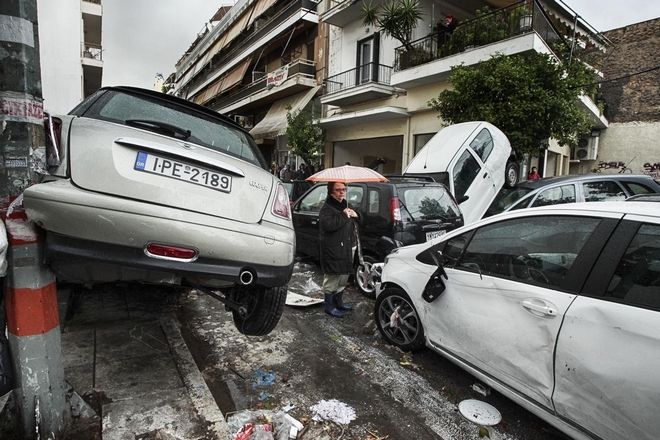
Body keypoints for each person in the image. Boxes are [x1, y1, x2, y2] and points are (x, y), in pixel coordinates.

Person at [319, 182, 359, 317]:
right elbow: (328, 225)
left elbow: (358, 221)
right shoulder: (327, 208)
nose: (342, 192)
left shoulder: (346, 204)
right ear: (331, 192)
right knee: (332, 277)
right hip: (333, 248)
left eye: (343, 189)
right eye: (338, 190)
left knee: (343, 276)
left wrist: (356, 214)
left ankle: (339, 302)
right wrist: (343, 215)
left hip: (348, 246)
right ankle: (329, 306)